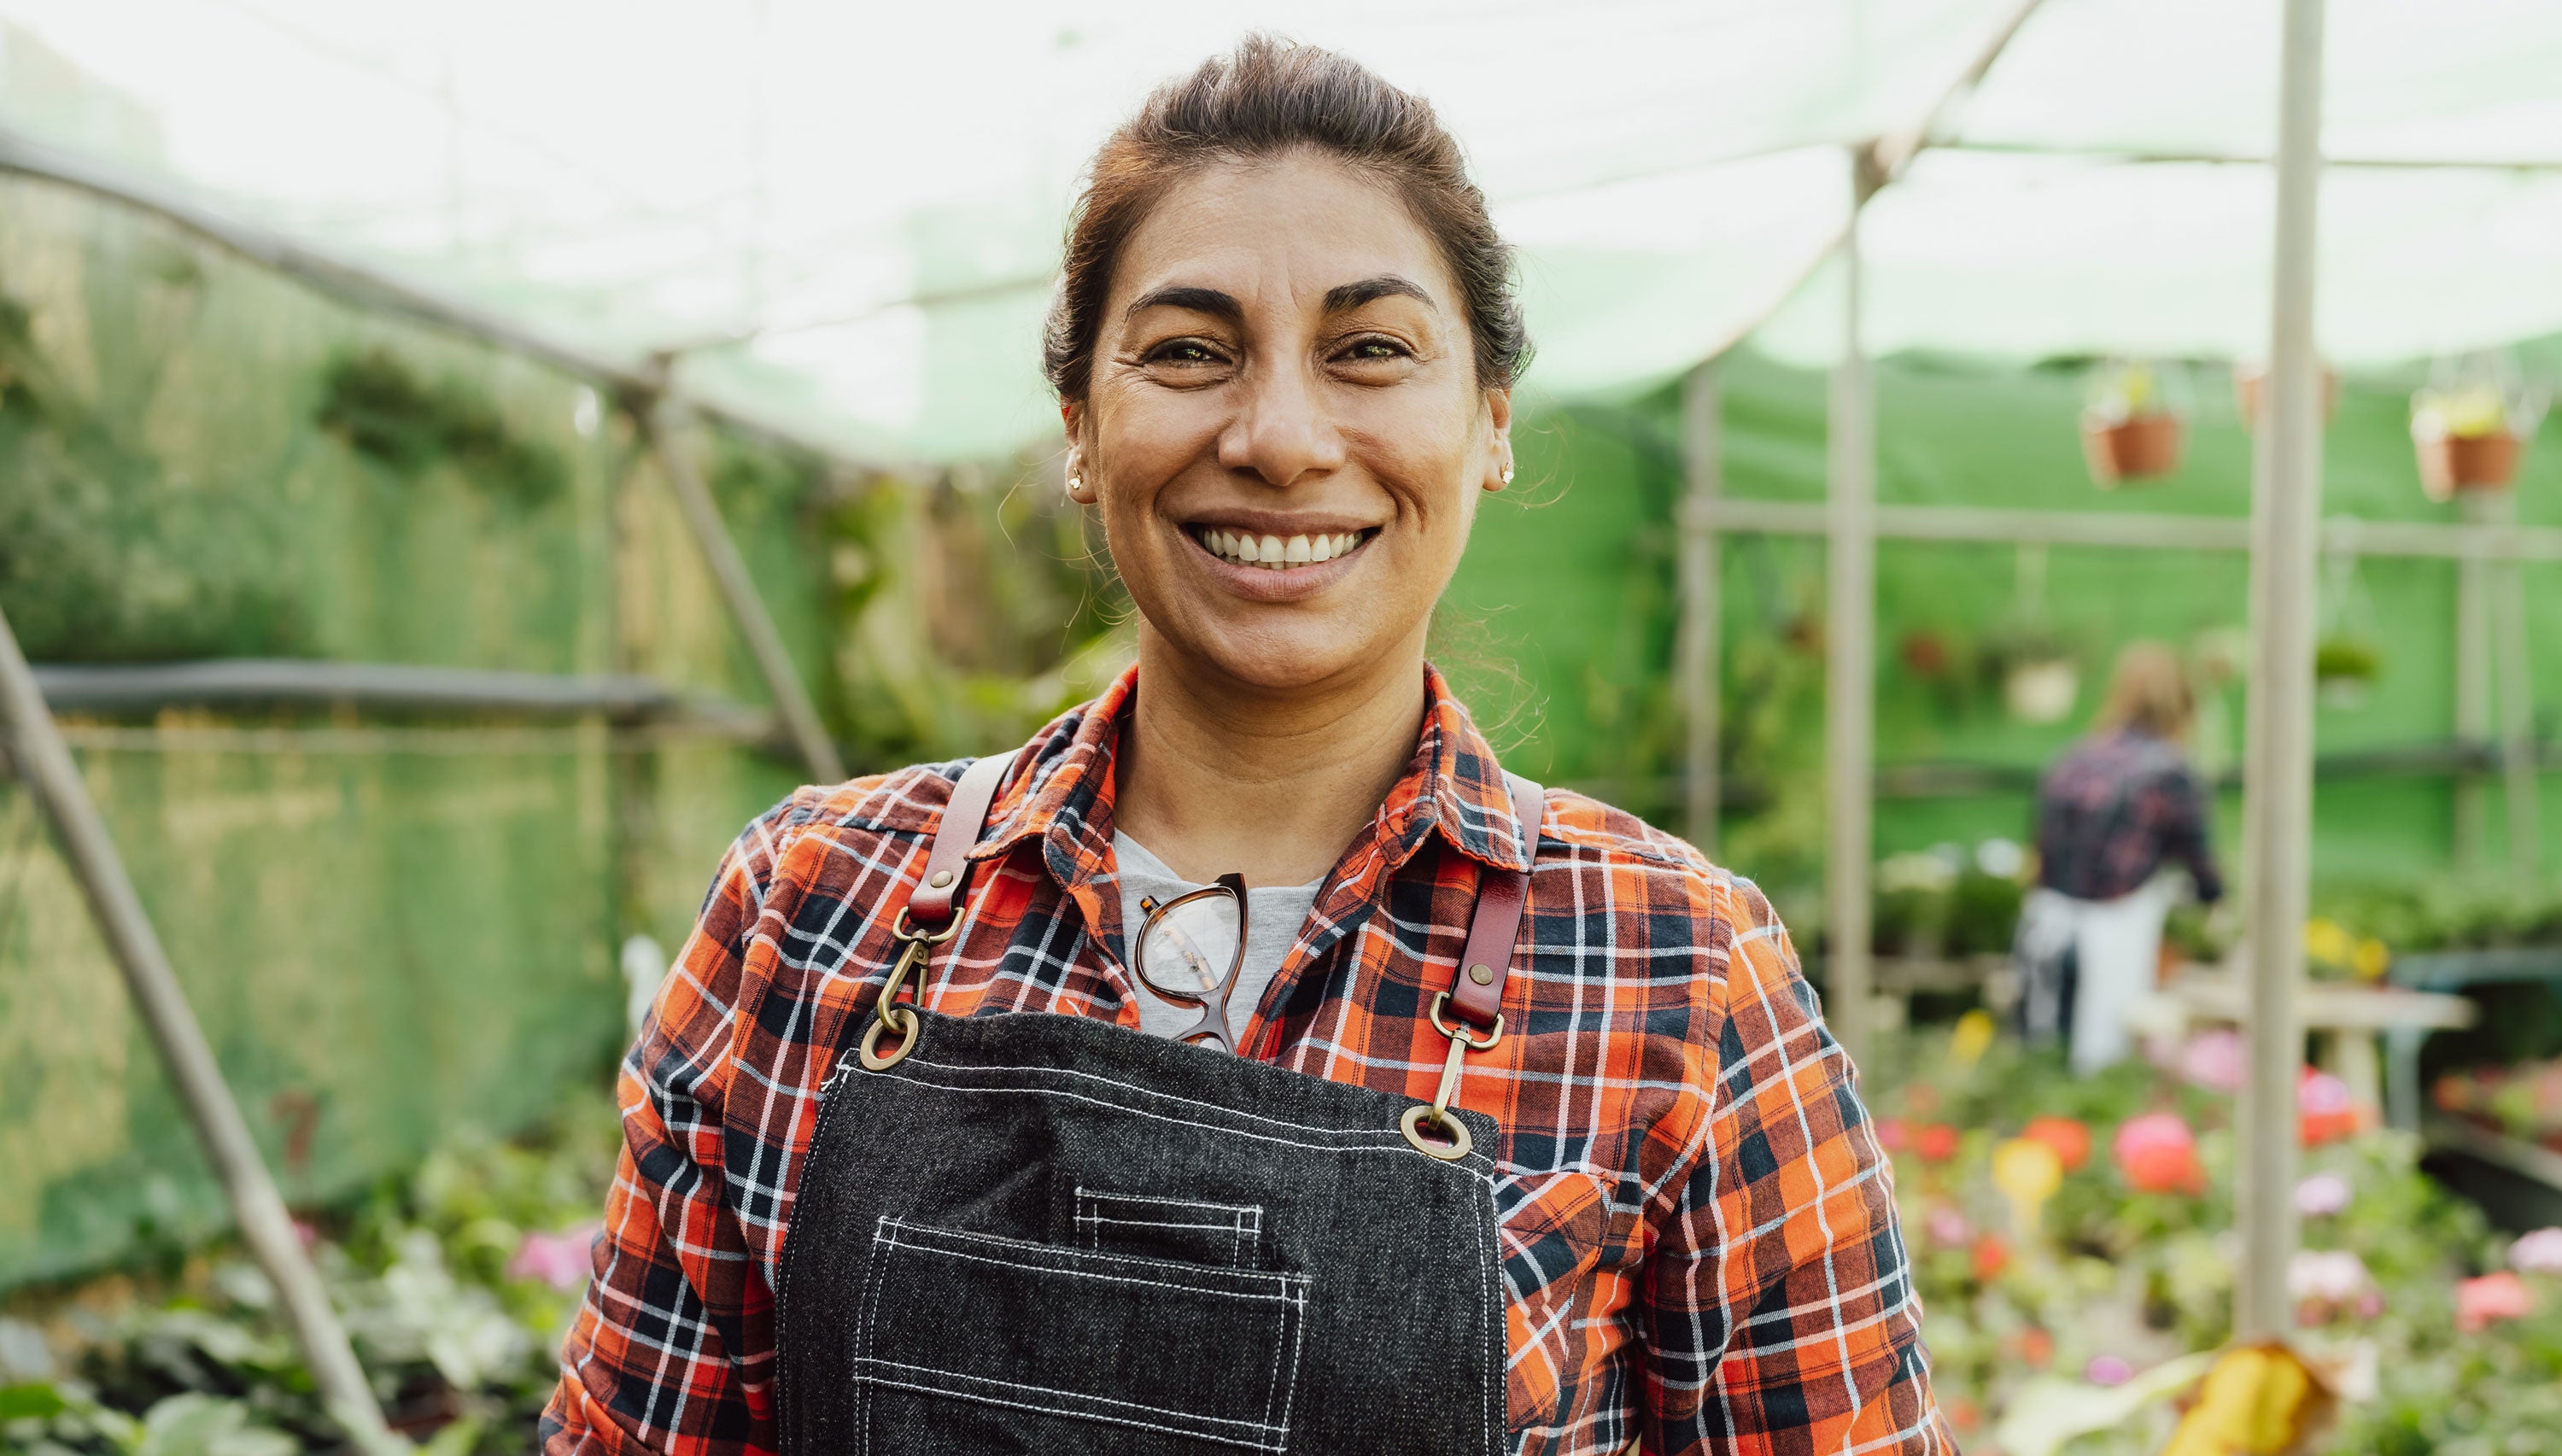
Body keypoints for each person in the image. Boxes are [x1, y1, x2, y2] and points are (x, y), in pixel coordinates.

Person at [543, 38, 1945, 1456]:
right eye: (1191, 352)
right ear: (1084, 428)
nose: (1280, 437)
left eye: (1371, 351)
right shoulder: (811, 906)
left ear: (1489, 427)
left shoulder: (1677, 973)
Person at [2015, 642, 2226, 1075]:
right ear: (2183, 708)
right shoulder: (2171, 771)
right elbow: (2201, 863)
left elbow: (2039, 845)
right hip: (2115, 924)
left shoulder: (2075, 757)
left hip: (2047, 918)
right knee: (2104, 1053)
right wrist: (2214, 904)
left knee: (2043, 1044)